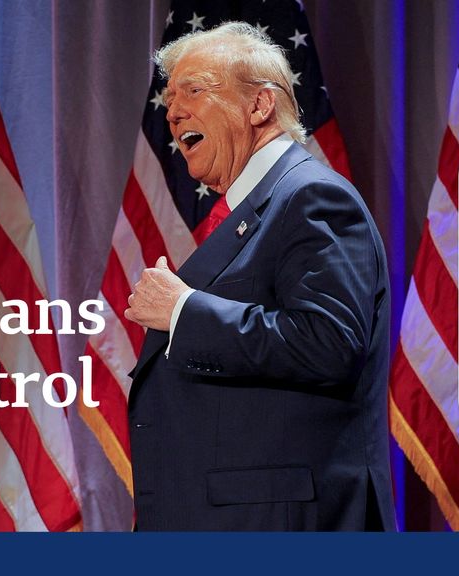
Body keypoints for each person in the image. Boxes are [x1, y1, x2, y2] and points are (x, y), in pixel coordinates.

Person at [122, 22, 394, 531]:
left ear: (259, 106)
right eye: (170, 98)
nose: (173, 111)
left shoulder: (311, 197)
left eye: (194, 89)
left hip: (278, 520)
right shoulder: (262, 207)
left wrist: (183, 312)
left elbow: (328, 342)